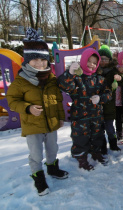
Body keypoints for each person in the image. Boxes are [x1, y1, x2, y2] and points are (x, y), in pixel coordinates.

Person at [6, 28, 68, 196]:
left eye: (44, 60)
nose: (41, 64)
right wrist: (28, 108)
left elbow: (58, 100)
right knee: (35, 153)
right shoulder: (21, 81)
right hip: (33, 125)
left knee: (53, 148)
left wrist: (61, 117)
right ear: (27, 61)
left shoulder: (51, 79)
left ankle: (53, 169)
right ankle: (38, 178)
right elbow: (12, 101)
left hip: (51, 122)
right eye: (36, 60)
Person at [58, 48, 112, 170]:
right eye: (89, 61)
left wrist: (100, 98)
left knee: (97, 136)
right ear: (83, 60)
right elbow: (64, 86)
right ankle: (81, 158)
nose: (91, 65)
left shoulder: (99, 79)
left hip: (96, 116)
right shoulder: (76, 78)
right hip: (80, 116)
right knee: (80, 138)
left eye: (94, 63)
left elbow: (109, 93)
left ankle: (96, 153)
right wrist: (69, 74)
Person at [97, 45, 123, 153]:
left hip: (109, 105)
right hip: (97, 106)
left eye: (106, 59)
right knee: (99, 128)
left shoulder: (113, 70)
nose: (103, 61)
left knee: (110, 127)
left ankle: (113, 143)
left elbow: (122, 79)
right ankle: (102, 146)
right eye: (101, 59)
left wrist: (120, 77)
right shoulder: (95, 71)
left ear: (110, 60)